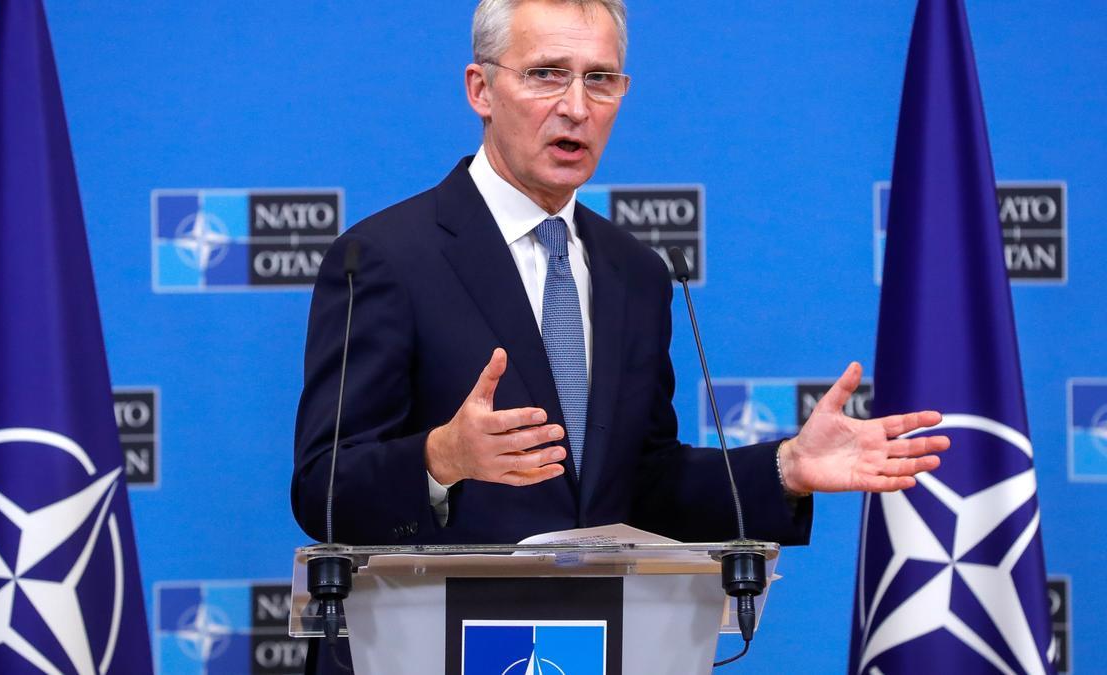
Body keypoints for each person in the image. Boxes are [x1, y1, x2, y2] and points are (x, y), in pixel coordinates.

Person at [292, 0, 948, 552]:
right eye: (547, 74)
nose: (576, 106)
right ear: (480, 89)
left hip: (593, 638)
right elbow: (322, 489)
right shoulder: (385, 256)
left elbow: (643, 485)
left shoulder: (634, 273)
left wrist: (785, 467)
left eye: (600, 80)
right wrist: (440, 458)